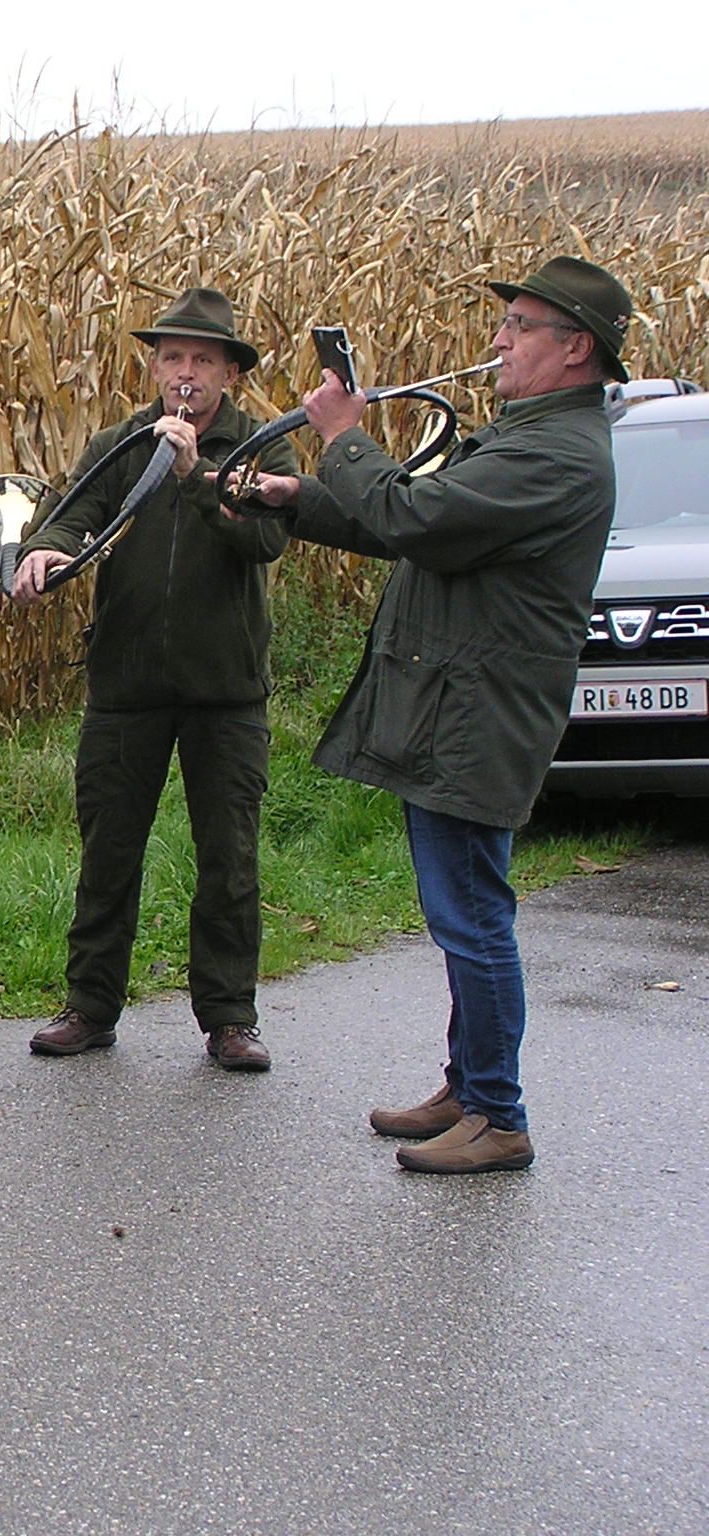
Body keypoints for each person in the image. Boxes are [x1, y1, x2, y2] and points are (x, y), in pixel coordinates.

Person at [281, 256, 631, 1173]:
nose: (498, 341)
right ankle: (469, 1085)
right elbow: (418, 522)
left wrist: (344, 440)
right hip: (455, 707)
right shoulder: (527, 435)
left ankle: (499, 1116)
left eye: (519, 326)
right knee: (465, 909)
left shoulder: (553, 454)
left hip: (479, 715)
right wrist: (301, 500)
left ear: (575, 347)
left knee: (472, 914)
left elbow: (417, 521)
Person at [11, 288, 305, 1073]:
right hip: (127, 682)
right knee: (108, 850)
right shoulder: (121, 441)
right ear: (154, 366)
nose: (185, 373)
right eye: (172, 357)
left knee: (228, 857)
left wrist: (196, 477)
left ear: (229, 373)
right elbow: (67, 514)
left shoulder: (261, 446)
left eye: (202, 360)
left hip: (226, 690)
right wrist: (46, 550)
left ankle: (229, 1017)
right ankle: (90, 1004)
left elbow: (267, 539)